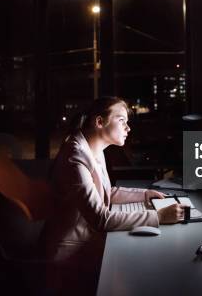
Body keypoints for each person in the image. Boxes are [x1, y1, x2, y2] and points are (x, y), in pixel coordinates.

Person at [44, 96, 186, 292]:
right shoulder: (75, 158)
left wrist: (145, 195)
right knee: (147, 266)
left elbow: (106, 192)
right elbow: (101, 219)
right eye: (122, 121)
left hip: (88, 240)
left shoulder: (92, 147)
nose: (128, 128)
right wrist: (159, 216)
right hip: (72, 252)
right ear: (100, 122)